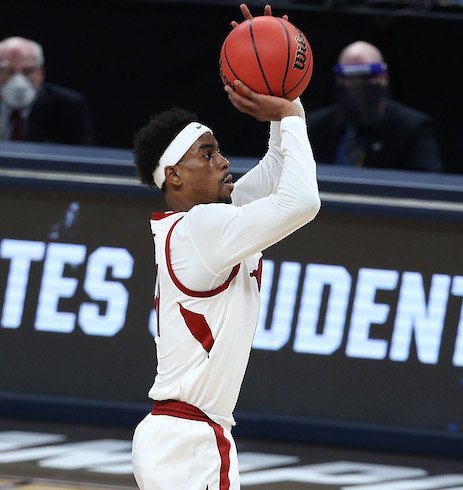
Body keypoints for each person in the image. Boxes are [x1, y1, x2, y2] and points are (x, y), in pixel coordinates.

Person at [128, 5, 320, 489]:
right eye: (207, 154)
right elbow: (301, 201)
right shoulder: (202, 230)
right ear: (173, 175)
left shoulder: (203, 223)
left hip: (184, 438)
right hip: (189, 442)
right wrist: (291, 111)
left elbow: (279, 172)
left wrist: (278, 95)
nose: (224, 161)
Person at [306, 41, 443, 172]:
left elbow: (429, 185)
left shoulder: (412, 129)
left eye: (367, 77)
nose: (358, 85)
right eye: (350, 78)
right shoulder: (316, 126)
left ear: (384, 77)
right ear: (339, 80)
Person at [0, 36, 94, 145]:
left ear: (41, 73)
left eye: (28, 71)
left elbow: (83, 157)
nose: (18, 80)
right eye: (9, 71)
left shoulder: (68, 107)